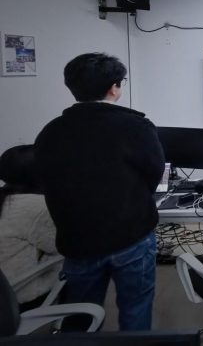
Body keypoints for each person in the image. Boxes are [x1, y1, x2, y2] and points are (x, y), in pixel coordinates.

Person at [34, 53, 165, 331]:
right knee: (136, 307)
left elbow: (46, 180)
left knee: (78, 314)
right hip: (132, 235)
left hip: (77, 240)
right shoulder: (136, 127)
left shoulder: (50, 132)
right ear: (114, 87)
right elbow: (154, 174)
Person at [0, 145, 61, 312]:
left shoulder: (6, 198)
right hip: (18, 297)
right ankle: (74, 323)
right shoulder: (36, 207)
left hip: (6, 290)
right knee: (80, 261)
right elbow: (59, 246)